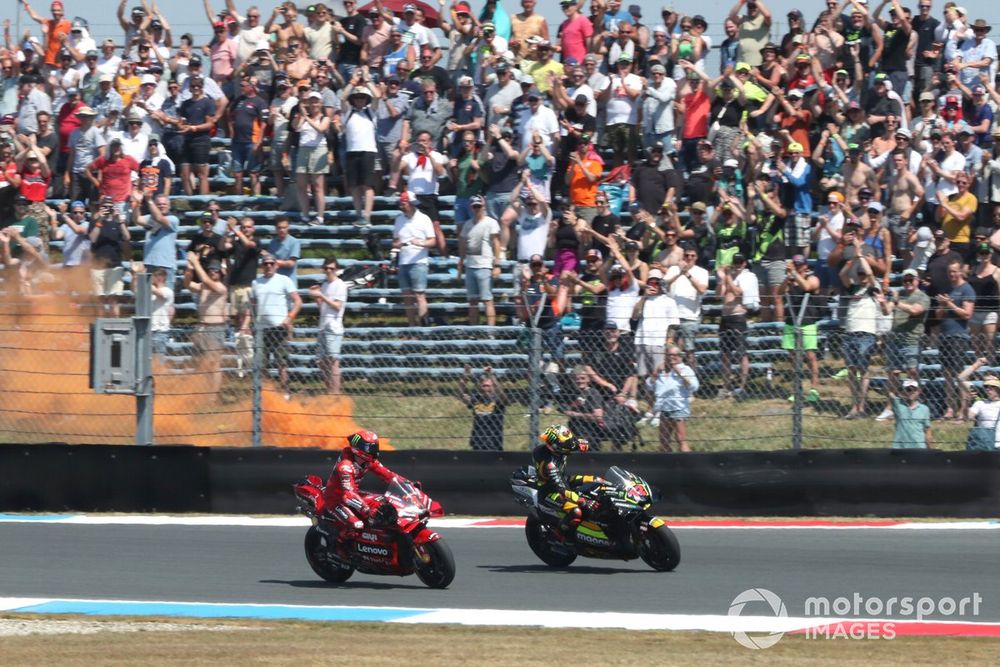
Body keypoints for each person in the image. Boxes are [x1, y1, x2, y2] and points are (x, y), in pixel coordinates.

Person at [321, 430, 401, 539]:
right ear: (359, 449)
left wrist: (408, 484)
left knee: (383, 503)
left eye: (375, 447)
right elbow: (348, 496)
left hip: (353, 494)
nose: (374, 452)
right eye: (371, 448)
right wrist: (367, 510)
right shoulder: (346, 467)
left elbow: (388, 475)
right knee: (357, 526)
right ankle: (340, 545)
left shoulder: (367, 461)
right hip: (335, 500)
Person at [875, 268, 930, 421]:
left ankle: (914, 405)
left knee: (912, 372)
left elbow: (915, 311)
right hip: (895, 339)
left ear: (917, 280)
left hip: (912, 340)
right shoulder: (899, 295)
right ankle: (890, 407)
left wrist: (897, 302)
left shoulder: (923, 297)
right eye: (905, 280)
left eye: (910, 279)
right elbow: (887, 312)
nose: (907, 283)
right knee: (893, 374)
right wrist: (882, 303)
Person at [531, 424, 595, 537]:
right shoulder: (549, 464)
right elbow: (562, 490)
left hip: (563, 480)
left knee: (596, 480)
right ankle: (564, 535)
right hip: (550, 493)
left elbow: (577, 442)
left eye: (569, 440)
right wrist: (582, 501)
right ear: (556, 446)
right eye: (566, 443)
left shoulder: (561, 446)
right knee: (576, 511)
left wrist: (583, 443)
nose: (570, 444)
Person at [253, 254, 302, 400]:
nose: (268, 266)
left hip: (279, 328)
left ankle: (285, 393)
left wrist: (290, 318)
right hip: (262, 329)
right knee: (262, 365)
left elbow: (298, 301)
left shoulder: (284, 280)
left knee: (282, 363)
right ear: (262, 266)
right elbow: (253, 305)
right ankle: (267, 394)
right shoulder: (256, 282)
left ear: (276, 265)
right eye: (265, 264)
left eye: (271, 263)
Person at [936, 259, 976, 420]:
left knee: (960, 375)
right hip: (945, 335)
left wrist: (950, 304)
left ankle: (962, 410)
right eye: (949, 272)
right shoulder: (947, 289)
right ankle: (950, 408)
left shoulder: (967, 289)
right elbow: (938, 315)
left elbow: (967, 314)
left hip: (959, 336)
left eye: (954, 271)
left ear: (960, 271)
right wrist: (943, 305)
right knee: (947, 374)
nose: (951, 274)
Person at [184, 251, 228, 395]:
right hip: (202, 328)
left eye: (216, 270)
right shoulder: (203, 286)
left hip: (215, 328)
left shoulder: (221, 288)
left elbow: (208, 282)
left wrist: (196, 263)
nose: (212, 272)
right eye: (210, 270)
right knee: (200, 362)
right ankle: (203, 392)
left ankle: (213, 396)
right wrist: (190, 267)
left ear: (221, 273)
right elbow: (187, 283)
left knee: (215, 363)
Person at [781, 255, 822, 403]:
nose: (797, 267)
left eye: (799, 265)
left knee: (810, 356)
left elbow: (807, 287)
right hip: (791, 321)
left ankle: (813, 388)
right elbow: (780, 292)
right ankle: (797, 388)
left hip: (808, 321)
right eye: (795, 265)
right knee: (793, 357)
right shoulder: (791, 280)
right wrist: (788, 278)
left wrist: (795, 274)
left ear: (805, 266)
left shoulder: (813, 278)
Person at [392, 191, 436, 327]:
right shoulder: (399, 220)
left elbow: (433, 241)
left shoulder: (424, 219)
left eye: (403, 203)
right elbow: (394, 242)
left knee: (419, 295)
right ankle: (412, 328)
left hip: (419, 262)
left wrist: (421, 243)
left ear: (411, 204)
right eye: (401, 203)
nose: (401, 205)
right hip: (403, 262)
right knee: (407, 298)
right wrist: (397, 245)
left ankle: (423, 327)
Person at [458, 194, 501, 327]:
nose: (477, 209)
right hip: (470, 266)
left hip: (484, 266)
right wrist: (461, 263)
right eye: (474, 206)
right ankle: (473, 330)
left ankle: (491, 333)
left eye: (479, 206)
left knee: (488, 300)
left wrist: (497, 264)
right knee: (472, 302)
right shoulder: (467, 224)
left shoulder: (491, 222)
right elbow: (463, 244)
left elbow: (496, 243)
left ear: (483, 207)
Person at [648, 347, 699, 452]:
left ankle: (688, 462)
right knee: (663, 440)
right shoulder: (661, 369)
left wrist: (680, 373)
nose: (671, 357)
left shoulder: (685, 369)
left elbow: (694, 386)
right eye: (669, 355)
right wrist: (656, 373)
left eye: (674, 355)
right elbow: (649, 385)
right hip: (663, 407)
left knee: (680, 439)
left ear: (680, 356)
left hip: (678, 407)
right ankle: (668, 463)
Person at [310, 256, 347, 396]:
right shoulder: (325, 285)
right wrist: (317, 298)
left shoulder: (340, 285)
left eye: (332, 268)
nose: (329, 271)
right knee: (322, 362)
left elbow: (337, 306)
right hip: (323, 326)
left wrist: (322, 295)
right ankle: (329, 390)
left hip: (334, 328)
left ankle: (335, 393)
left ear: (336, 269)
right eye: (326, 268)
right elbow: (323, 308)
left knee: (333, 362)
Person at [87, 195, 130, 317]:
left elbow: (127, 237)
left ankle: (115, 326)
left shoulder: (118, 222)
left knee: (113, 300)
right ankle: (100, 329)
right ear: (100, 208)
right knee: (99, 300)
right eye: (105, 207)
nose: (108, 209)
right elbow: (92, 238)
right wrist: (100, 221)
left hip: (114, 265)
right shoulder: (95, 222)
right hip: (97, 267)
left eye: (110, 207)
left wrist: (120, 220)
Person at [458, 364, 508, 451]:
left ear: (493, 387)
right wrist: (465, 377)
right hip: (477, 442)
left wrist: (490, 375)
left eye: (488, 386)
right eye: (484, 386)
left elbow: (502, 395)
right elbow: (461, 395)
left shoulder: (498, 401)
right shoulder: (477, 399)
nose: (486, 388)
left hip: (494, 443)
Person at [889, 379, 933, 449]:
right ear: (903, 391)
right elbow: (889, 393)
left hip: (918, 448)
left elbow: (927, 431)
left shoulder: (924, 409)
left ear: (918, 391)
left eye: (914, 389)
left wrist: (931, 450)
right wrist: (895, 377)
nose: (911, 392)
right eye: (908, 389)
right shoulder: (898, 404)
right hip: (900, 447)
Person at [966, 374, 1000, 450]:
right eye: (986, 387)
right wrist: (967, 401)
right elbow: (968, 416)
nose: (988, 389)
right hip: (985, 443)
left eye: (991, 387)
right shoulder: (980, 403)